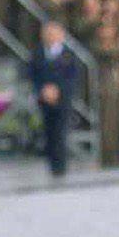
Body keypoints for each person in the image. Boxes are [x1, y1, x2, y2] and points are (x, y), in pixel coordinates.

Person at [28, 18, 84, 179]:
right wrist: (43, 89)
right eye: (47, 33)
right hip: (44, 99)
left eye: (54, 33)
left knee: (60, 131)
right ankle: (52, 166)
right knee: (49, 132)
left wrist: (58, 90)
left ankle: (61, 167)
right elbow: (32, 74)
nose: (50, 36)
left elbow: (72, 77)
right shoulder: (38, 54)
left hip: (62, 99)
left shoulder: (69, 54)